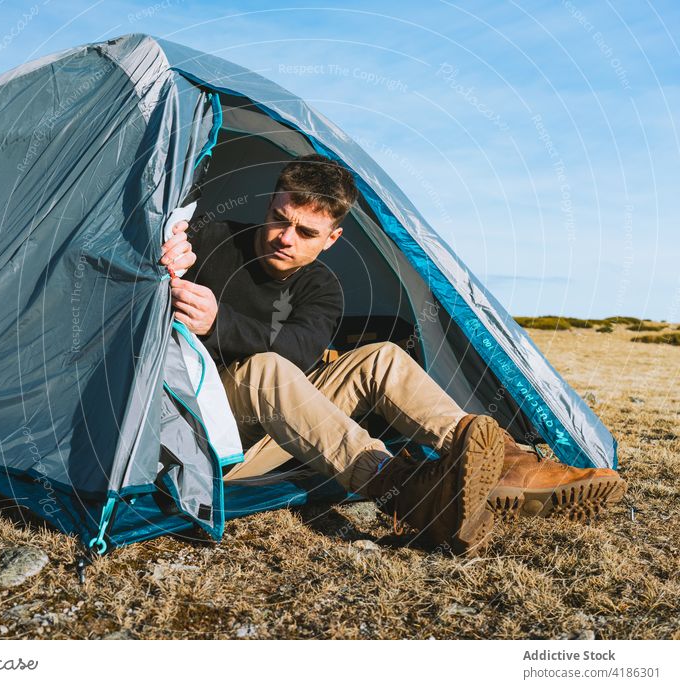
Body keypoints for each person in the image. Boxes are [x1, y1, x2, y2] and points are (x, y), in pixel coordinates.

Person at [159, 154, 627, 554]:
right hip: (198, 428)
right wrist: (167, 250)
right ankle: (400, 489)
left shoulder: (321, 287)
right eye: (281, 219)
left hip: (271, 428)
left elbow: (301, 351)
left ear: (331, 239)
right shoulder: (211, 240)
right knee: (265, 368)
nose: (286, 237)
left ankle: (513, 463)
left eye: (306, 231)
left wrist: (220, 322)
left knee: (381, 355)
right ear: (269, 205)